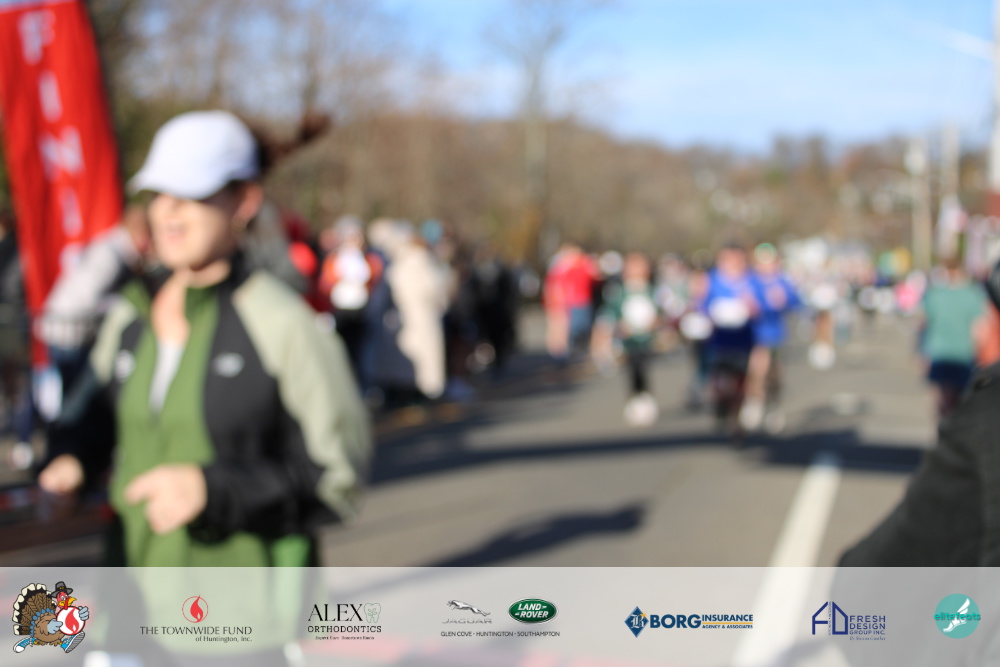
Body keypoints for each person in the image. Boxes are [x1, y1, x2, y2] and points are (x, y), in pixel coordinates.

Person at [38, 110, 371, 568]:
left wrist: (215, 489)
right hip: (130, 593)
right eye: (159, 193)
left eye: (192, 193)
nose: (168, 210)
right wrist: (70, 460)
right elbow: (90, 419)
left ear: (244, 201)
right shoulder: (130, 314)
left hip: (248, 602)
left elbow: (337, 480)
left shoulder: (284, 323)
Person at [592, 252, 662, 426]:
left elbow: (663, 314)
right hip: (628, 341)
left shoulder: (654, 290)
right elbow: (608, 317)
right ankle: (635, 398)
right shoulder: (618, 292)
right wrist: (613, 332)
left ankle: (645, 396)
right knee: (632, 368)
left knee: (643, 367)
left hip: (647, 340)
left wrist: (656, 324)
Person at [740, 243, 799, 433]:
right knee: (757, 369)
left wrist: (784, 299)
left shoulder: (782, 281)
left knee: (775, 375)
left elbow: (795, 301)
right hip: (756, 335)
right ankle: (754, 401)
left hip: (777, 336)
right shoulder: (750, 281)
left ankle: (774, 406)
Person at [918, 257, 987, 418]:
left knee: (943, 400)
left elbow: (922, 324)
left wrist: (921, 352)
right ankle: (955, 428)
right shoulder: (973, 294)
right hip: (964, 354)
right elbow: (980, 329)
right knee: (962, 400)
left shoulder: (934, 294)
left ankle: (945, 428)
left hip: (939, 353)